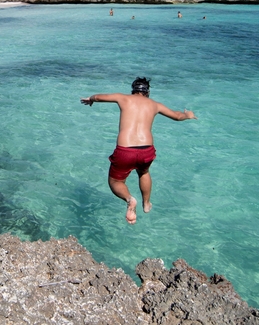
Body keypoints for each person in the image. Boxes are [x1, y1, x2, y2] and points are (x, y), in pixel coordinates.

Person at [81, 77, 196, 224]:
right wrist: (189, 115)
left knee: (115, 181)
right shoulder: (155, 105)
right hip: (146, 150)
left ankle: (130, 199)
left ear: (133, 90)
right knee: (143, 172)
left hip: (125, 150)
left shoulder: (123, 98)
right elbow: (178, 116)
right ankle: (146, 204)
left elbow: (98, 97)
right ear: (147, 92)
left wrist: (90, 99)